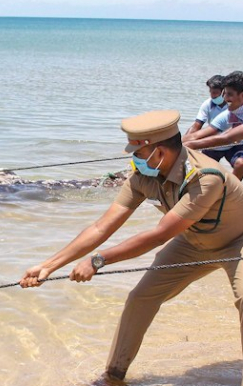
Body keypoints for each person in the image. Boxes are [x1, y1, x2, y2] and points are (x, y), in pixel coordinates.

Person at [20, 110, 243, 383]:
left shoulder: (205, 177)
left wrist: (98, 261)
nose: (133, 159)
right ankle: (113, 376)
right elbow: (102, 227)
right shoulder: (142, 176)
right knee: (140, 299)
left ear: (159, 152)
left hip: (237, 241)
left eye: (138, 152)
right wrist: (47, 266)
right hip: (193, 242)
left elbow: (158, 236)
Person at [183, 71, 243, 179]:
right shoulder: (229, 113)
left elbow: (227, 138)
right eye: (224, 93)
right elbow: (197, 134)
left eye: (229, 94)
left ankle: (233, 192)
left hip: (234, 145)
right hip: (222, 145)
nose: (225, 98)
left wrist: (189, 145)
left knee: (240, 163)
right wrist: (171, 143)